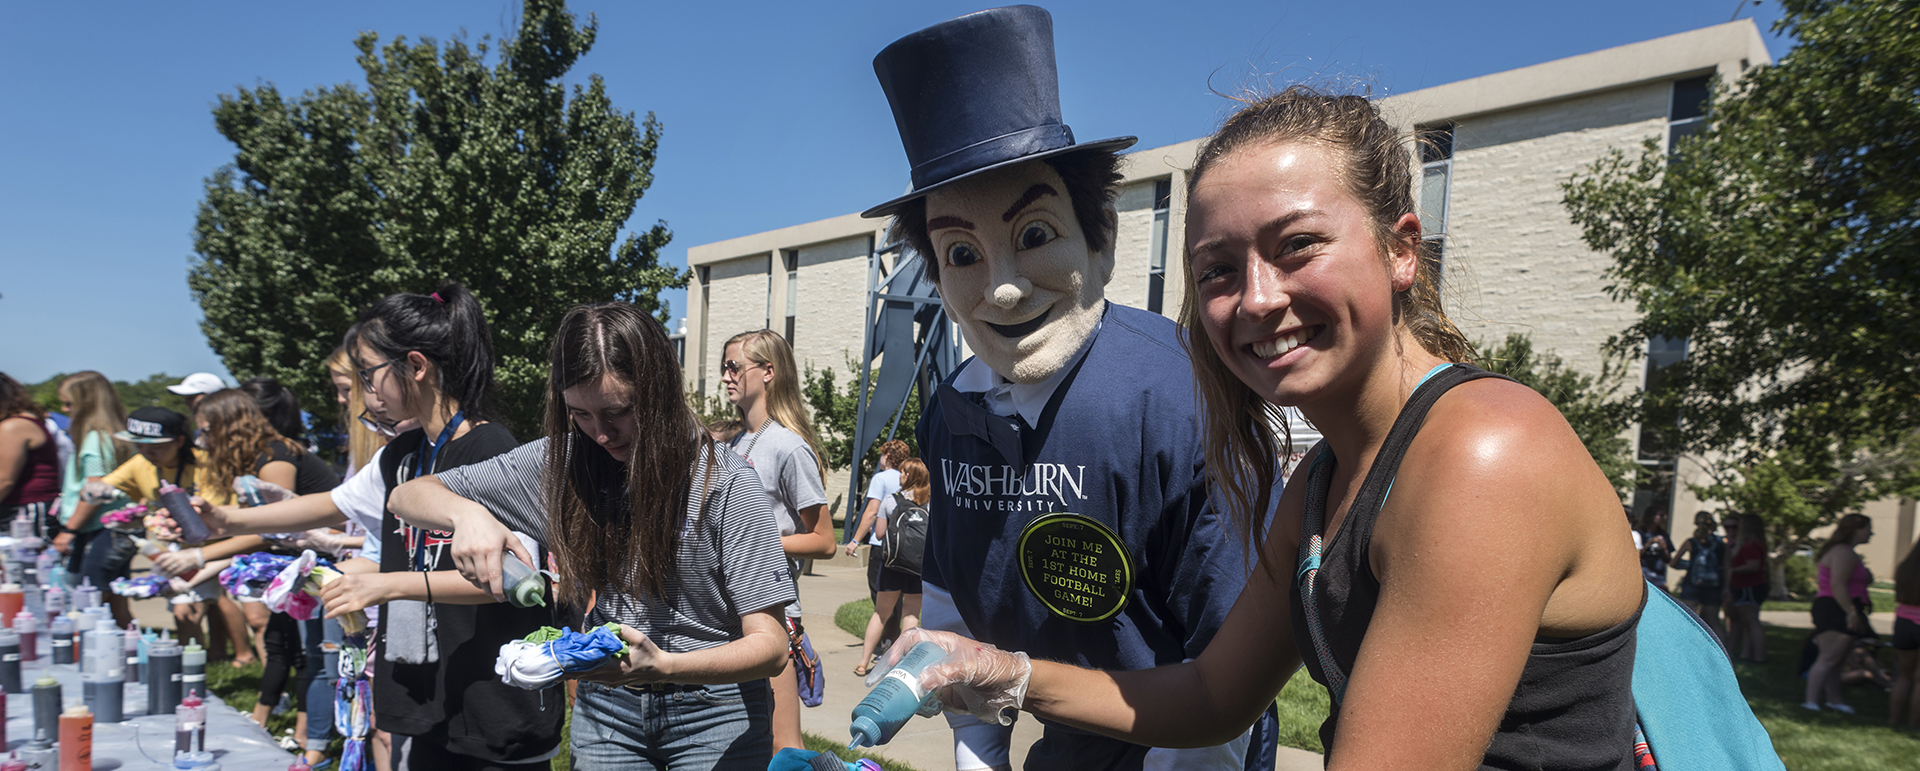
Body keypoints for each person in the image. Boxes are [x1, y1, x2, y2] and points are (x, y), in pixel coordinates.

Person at [884, 85, 1653, 770]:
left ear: (1402, 249)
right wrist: (996, 670)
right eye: (1217, 267)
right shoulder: (1322, 484)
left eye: (1297, 246)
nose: (1255, 298)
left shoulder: (1482, 451)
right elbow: (1213, 692)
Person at [861, 9, 1276, 769]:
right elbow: (955, 603)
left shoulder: (1181, 397)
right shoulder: (953, 410)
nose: (1005, 289)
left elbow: (1230, 673)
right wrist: (977, 755)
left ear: (1102, 235)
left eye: (1035, 235)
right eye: (962, 252)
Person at [158, 283, 561, 768]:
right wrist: (223, 519)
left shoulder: (490, 452)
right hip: (431, 695)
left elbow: (518, 581)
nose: (362, 394)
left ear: (415, 366)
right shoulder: (402, 454)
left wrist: (383, 585)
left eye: (367, 375)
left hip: (492, 699)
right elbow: (329, 503)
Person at [387, 301, 796, 770]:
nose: (600, 433)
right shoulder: (562, 463)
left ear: (659, 390)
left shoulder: (726, 482)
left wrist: (663, 665)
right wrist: (468, 515)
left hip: (716, 714)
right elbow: (407, 496)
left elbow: (771, 646)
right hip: (607, 714)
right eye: (580, 414)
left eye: (618, 411)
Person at [186, 389, 342, 729]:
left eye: (206, 430)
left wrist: (199, 555)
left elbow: (272, 526)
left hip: (324, 560)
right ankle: (278, 725)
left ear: (229, 426)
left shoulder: (275, 459)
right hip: (296, 561)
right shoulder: (262, 457)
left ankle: (307, 738)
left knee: (305, 654)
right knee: (281, 645)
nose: (202, 440)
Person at [719, 328, 836, 752]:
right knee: (740, 745)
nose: (726, 376)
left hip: (774, 616)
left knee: (782, 749)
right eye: (724, 367)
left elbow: (824, 541)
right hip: (730, 614)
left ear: (768, 371)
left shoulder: (788, 447)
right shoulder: (733, 443)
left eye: (734, 366)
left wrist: (754, 540)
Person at [50, 372, 138, 625]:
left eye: (69, 403)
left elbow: (93, 492)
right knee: (116, 600)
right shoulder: (119, 437)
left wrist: (68, 530)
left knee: (87, 600)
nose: (64, 409)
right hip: (120, 529)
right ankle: (130, 654)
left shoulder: (94, 441)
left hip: (97, 530)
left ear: (86, 403)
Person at [850, 455, 927, 677]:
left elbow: (881, 534)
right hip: (918, 567)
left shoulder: (891, 500)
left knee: (880, 614)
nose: (900, 475)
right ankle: (901, 665)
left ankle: (864, 663)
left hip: (892, 564)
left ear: (910, 476)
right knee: (911, 614)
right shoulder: (931, 501)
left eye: (904, 472)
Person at [844, 440, 911, 676]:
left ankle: (886, 646)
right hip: (908, 551)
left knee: (881, 601)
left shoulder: (881, 479)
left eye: (882, 455)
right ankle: (899, 648)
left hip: (882, 548)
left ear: (887, 456)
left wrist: (855, 540)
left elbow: (872, 512)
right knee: (905, 604)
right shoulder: (913, 477)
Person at [1804, 513, 1876, 714]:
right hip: (1835, 608)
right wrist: (1850, 612)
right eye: (1868, 528)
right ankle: (1810, 701)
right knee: (1828, 658)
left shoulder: (1847, 552)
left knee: (1836, 661)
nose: (1871, 533)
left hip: (1841, 607)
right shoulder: (1843, 552)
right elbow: (1838, 584)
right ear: (1855, 530)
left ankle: (1834, 700)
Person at [0, 373, 64, 541]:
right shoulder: (25, 420)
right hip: (23, 509)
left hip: (26, 512)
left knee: (22, 564)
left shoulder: (13, 426)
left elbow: (4, 479)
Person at [1672, 510, 1726, 639]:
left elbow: (1673, 562)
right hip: (1713, 585)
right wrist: (1726, 587)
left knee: (1690, 619)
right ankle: (1723, 652)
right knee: (1713, 621)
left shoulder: (1691, 542)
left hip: (1692, 583)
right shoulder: (1721, 543)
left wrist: (1688, 565)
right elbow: (1726, 567)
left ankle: (1688, 648)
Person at [1726, 513, 1771, 662]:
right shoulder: (1753, 543)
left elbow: (1753, 565)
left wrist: (1732, 570)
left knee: (1752, 622)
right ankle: (1746, 654)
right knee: (1746, 622)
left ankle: (1759, 657)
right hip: (1745, 586)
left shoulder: (1750, 544)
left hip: (1749, 586)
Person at [1890, 538, 1920, 730]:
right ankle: (1914, 725)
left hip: (1903, 623)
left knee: (1904, 675)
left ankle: (1893, 721)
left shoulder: (1905, 567)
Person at [1637, 509, 1673, 589]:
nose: (1663, 518)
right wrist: (1649, 543)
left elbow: (1668, 559)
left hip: (1659, 574)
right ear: (1651, 516)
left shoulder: (1663, 534)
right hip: (1643, 573)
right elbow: (1636, 556)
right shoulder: (1640, 533)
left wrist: (1664, 548)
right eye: (1660, 515)